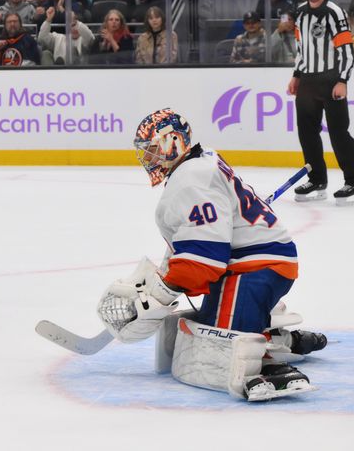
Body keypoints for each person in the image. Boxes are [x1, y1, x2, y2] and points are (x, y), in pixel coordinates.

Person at [96, 108, 327, 401]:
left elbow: (205, 260)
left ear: (174, 141)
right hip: (259, 263)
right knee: (205, 327)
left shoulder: (191, 179)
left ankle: (271, 368)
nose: (149, 158)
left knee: (215, 351)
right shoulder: (202, 160)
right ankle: (286, 340)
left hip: (252, 270)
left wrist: (160, 293)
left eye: (154, 149)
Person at [287, 0, 354, 205]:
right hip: (308, 82)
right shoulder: (299, 13)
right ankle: (317, 179)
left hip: (331, 81)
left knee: (339, 134)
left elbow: (347, 50)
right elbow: (301, 49)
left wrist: (342, 80)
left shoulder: (334, 12)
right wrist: (296, 75)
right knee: (307, 133)